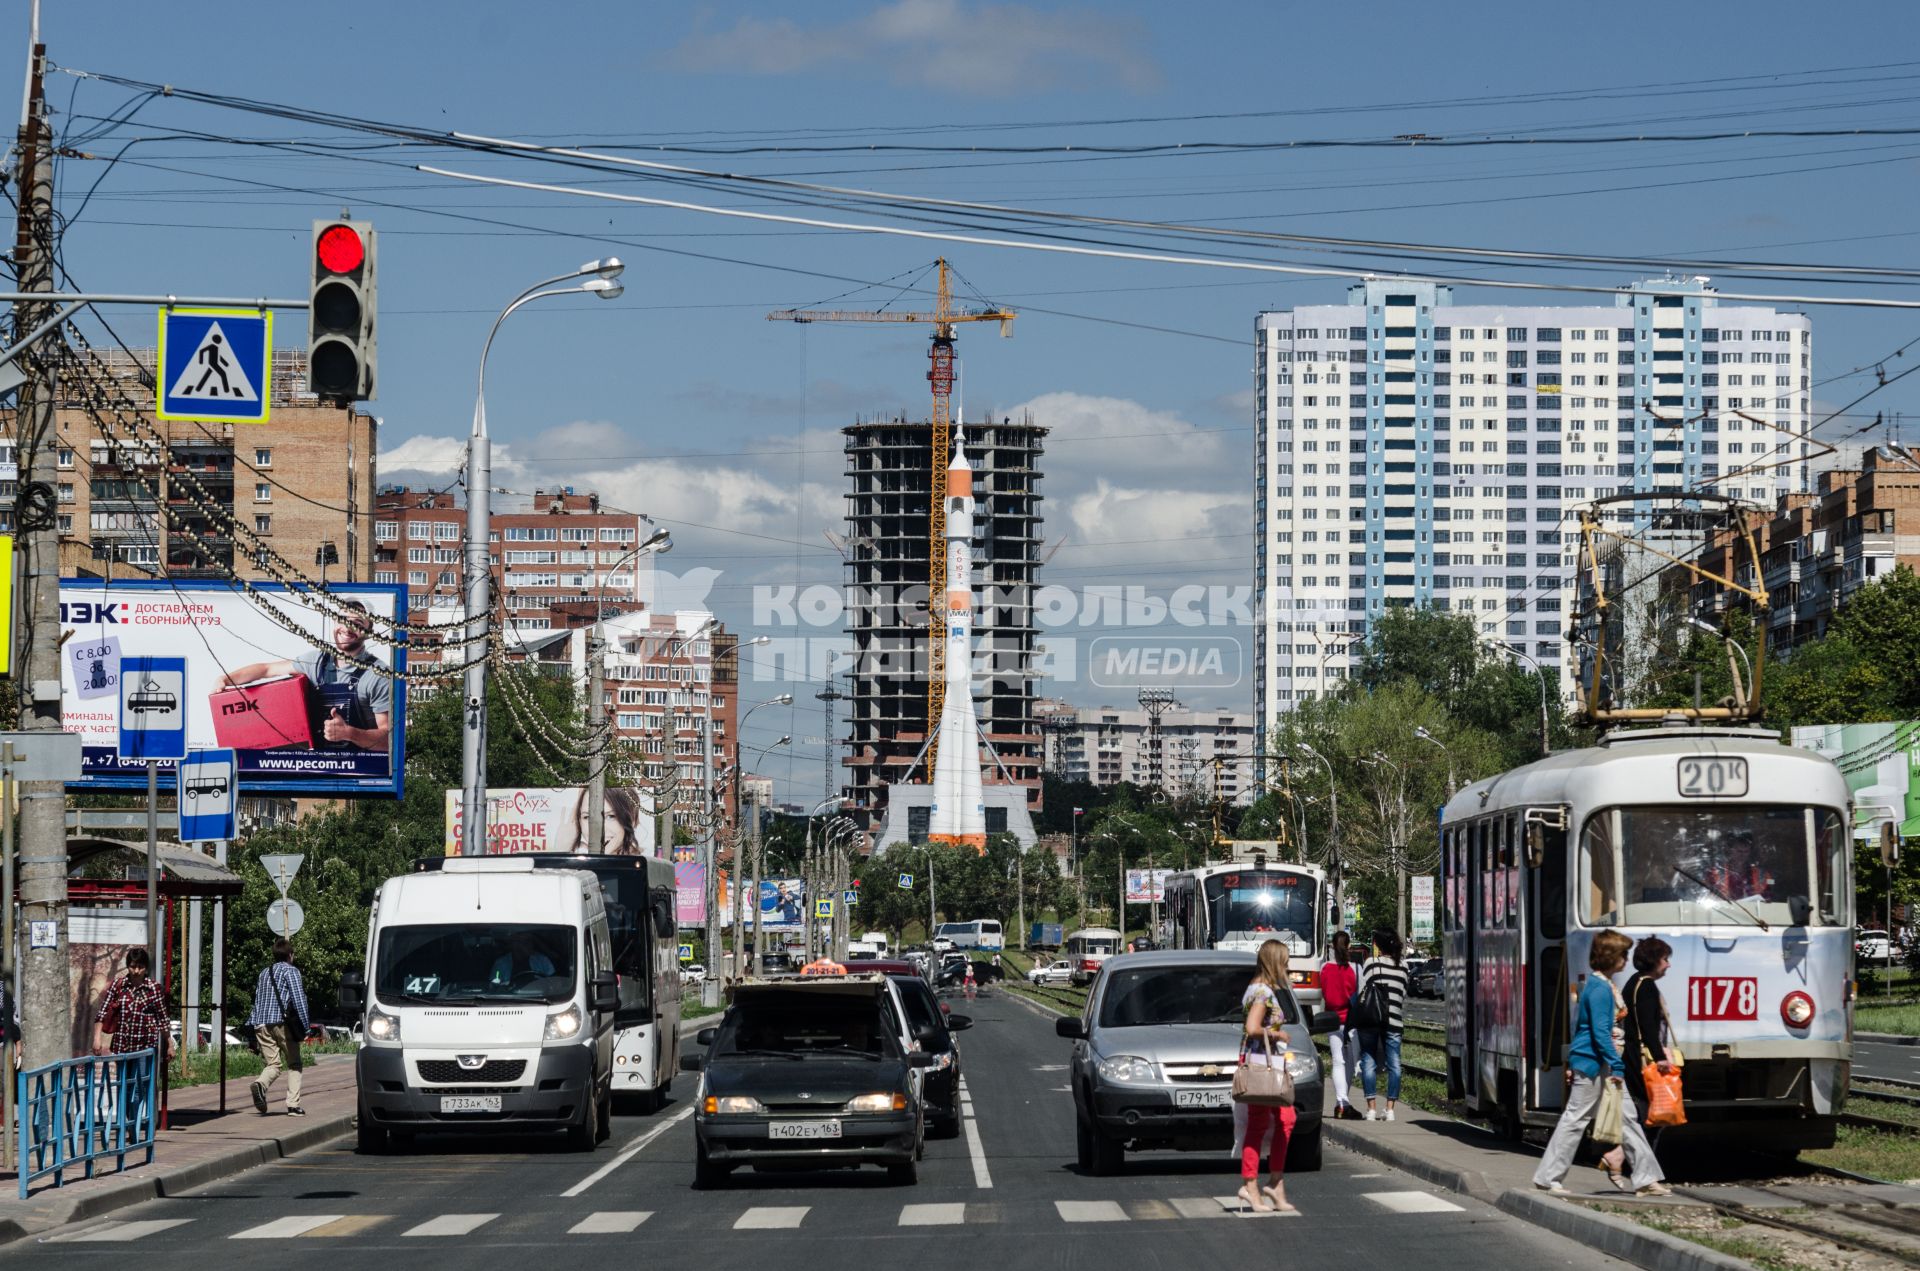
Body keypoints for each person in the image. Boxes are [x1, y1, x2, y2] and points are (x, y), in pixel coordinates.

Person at [1532, 930, 1669, 1196]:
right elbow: (1599, 1031)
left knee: (1627, 1118)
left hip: (1604, 1062)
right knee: (1576, 1118)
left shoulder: (1604, 985)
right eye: (1623, 955)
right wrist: (1616, 1065)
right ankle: (1548, 1177)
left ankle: (1646, 1179)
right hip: (1594, 1063)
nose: (1626, 960)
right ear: (1611, 957)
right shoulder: (1598, 989)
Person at [217, 601, 393, 753]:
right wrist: (224, 679)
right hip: (317, 766)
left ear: (369, 631)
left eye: (358, 623)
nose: (347, 627)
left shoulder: (378, 674)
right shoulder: (315, 661)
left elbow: (389, 740)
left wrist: (349, 733)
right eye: (343, 619)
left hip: (359, 777)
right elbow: (266, 669)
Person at [1235, 939, 1298, 1214]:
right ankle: (1254, 1185)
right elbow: (1252, 1027)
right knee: (1267, 1123)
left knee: (1278, 1120)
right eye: (1284, 961)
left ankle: (1273, 1182)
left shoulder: (1255, 987)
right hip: (1264, 1068)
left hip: (1262, 1065)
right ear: (1275, 962)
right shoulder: (1262, 992)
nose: (1287, 966)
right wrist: (1278, 1034)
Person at [95, 947, 168, 1132]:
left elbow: (162, 1018)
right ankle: (127, 1123)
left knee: (140, 1086)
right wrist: (97, 1038)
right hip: (123, 1045)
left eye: (140, 967)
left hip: (145, 1045)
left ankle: (133, 1125)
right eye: (133, 966)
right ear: (128, 966)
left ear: (146, 968)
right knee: (124, 1087)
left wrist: (169, 1044)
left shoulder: (153, 989)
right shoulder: (119, 986)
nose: (136, 971)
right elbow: (102, 1012)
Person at [1621, 936, 1677, 1148]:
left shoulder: (1635, 982)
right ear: (1654, 961)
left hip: (1634, 1054)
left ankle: (1640, 1161)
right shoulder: (1646, 987)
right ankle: (1641, 1161)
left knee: (1647, 1112)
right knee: (1651, 1113)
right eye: (1665, 959)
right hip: (1641, 1058)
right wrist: (1661, 1057)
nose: (1668, 964)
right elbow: (1648, 1027)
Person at [247, 939, 310, 1117]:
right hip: (283, 1024)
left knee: (273, 1064)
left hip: (261, 1023)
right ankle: (293, 1105)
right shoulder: (292, 971)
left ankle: (260, 1084)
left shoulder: (263, 973)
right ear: (290, 955)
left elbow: (257, 1000)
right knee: (295, 1064)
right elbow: (299, 1000)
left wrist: (252, 1028)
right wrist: (305, 1027)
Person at [1357, 928, 1409, 1121]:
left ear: (1377, 945)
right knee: (1394, 1064)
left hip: (1370, 1019)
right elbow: (1403, 994)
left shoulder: (1371, 963)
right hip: (1394, 1020)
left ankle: (1371, 1109)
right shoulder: (1403, 966)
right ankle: (1390, 1109)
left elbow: (1362, 991)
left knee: (1368, 1061)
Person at [1320, 931, 1360, 1120]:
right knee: (1351, 1062)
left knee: (1337, 1060)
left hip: (1331, 1020)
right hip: (1351, 1021)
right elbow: (1360, 996)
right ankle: (1342, 1102)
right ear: (1349, 946)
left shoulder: (1324, 968)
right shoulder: (1356, 968)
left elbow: (1323, 994)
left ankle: (1341, 1102)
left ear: (1332, 946)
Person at [491, 932, 556, 987]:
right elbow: (494, 986)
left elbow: (553, 984)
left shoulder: (542, 960)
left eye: (528, 941)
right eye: (519, 941)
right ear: (513, 944)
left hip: (539, 997)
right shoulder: (501, 963)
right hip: (510, 998)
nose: (530, 945)